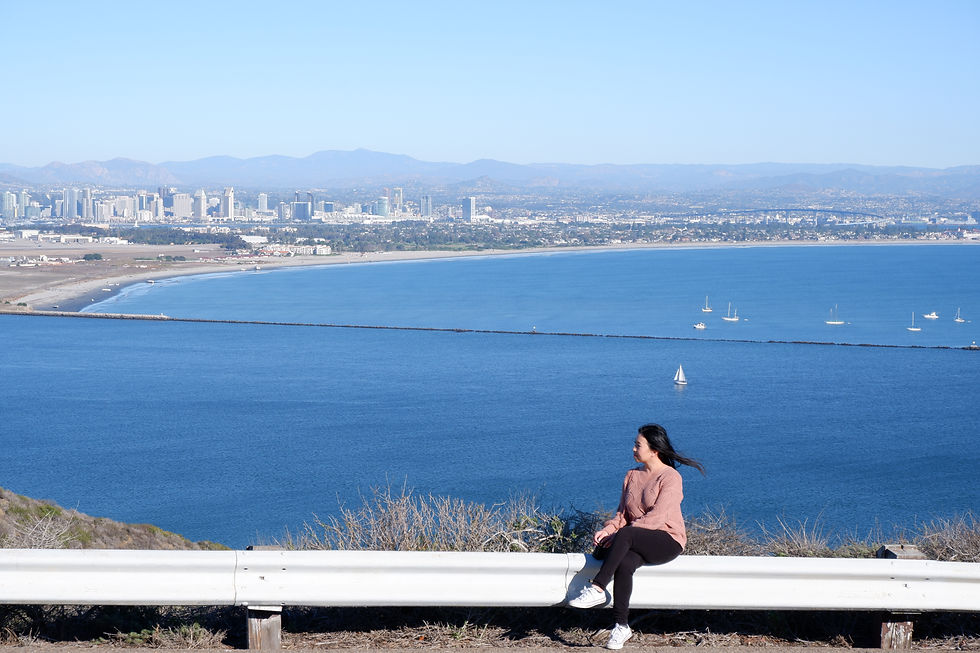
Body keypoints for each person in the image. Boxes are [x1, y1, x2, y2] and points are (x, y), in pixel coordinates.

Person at [567, 423, 704, 650]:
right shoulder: (631, 475)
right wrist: (608, 530)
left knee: (628, 533)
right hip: (635, 537)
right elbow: (622, 514)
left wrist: (623, 533)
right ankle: (621, 626)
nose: (633, 448)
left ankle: (598, 588)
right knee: (625, 562)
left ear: (654, 450)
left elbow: (658, 517)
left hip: (667, 539)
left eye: (637, 445)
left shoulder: (670, 478)